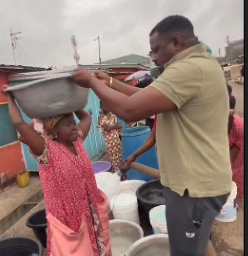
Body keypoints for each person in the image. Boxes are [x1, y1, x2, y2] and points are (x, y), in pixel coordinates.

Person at [72, 15, 232, 256]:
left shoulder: (188, 69)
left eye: (157, 50)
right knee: (199, 242)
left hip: (193, 189)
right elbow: (142, 97)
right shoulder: (199, 64)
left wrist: (92, 84)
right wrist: (112, 83)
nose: (154, 57)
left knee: (186, 250)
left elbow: (130, 110)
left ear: (177, 42)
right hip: (201, 183)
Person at [1, 85, 111, 256]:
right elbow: (18, 123)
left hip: (89, 212)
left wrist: (71, 101)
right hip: (68, 219)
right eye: (68, 124)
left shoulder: (77, 142)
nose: (74, 126)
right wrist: (9, 97)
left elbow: (87, 118)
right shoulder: (46, 150)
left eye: (74, 123)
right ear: (55, 129)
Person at [98, 102, 122, 172]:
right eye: (104, 105)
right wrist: (114, 126)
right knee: (113, 159)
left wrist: (111, 126)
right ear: (101, 107)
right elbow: (107, 129)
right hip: (109, 143)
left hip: (117, 140)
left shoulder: (112, 115)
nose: (107, 107)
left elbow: (120, 125)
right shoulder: (101, 117)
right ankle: (117, 174)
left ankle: (121, 173)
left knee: (120, 157)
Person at [228, 110, 244, 210]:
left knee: (238, 172)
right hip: (222, 147)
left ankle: (237, 198)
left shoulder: (239, 127)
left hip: (238, 147)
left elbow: (235, 151)